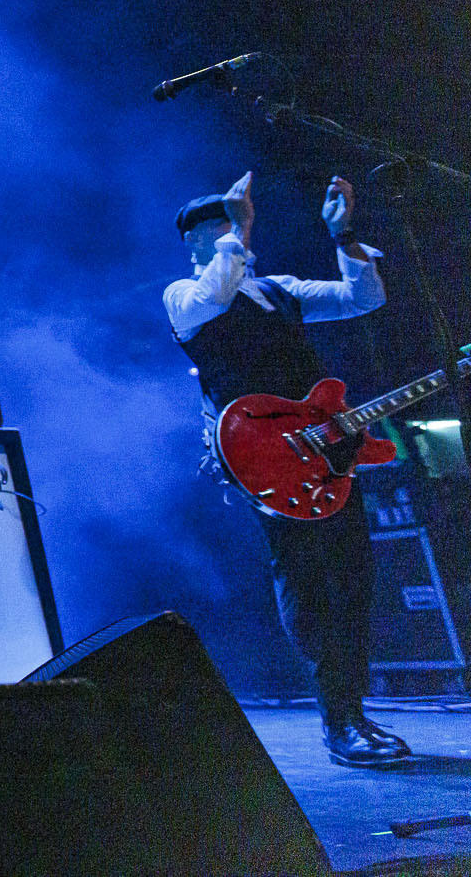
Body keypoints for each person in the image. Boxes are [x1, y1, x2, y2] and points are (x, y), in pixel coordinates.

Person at [165, 171, 409, 766]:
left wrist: (343, 235)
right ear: (195, 243)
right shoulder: (184, 294)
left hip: (328, 453)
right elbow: (213, 296)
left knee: (353, 578)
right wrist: (239, 231)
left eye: (235, 222)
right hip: (265, 461)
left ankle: (354, 710)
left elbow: (363, 299)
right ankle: (338, 720)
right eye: (218, 227)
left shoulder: (279, 290)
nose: (233, 235)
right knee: (308, 583)